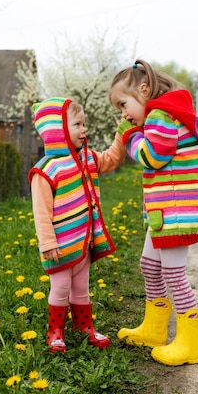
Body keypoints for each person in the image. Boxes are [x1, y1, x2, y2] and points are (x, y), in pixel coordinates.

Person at [109, 59, 198, 366]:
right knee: (149, 265)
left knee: (172, 273)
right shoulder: (161, 116)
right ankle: (154, 329)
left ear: (144, 89)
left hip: (176, 213)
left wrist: (130, 135)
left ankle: (189, 342)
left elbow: (152, 156)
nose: (124, 114)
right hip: (165, 212)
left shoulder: (161, 116)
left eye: (123, 104)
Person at [29, 97, 125, 353]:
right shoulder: (46, 170)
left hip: (82, 243)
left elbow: (112, 159)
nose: (84, 130)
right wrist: (47, 243)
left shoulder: (87, 159)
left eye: (84, 124)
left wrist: (122, 134)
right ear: (58, 129)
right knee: (60, 289)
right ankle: (55, 332)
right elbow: (41, 212)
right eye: (78, 124)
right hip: (60, 246)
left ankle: (83, 328)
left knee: (81, 288)